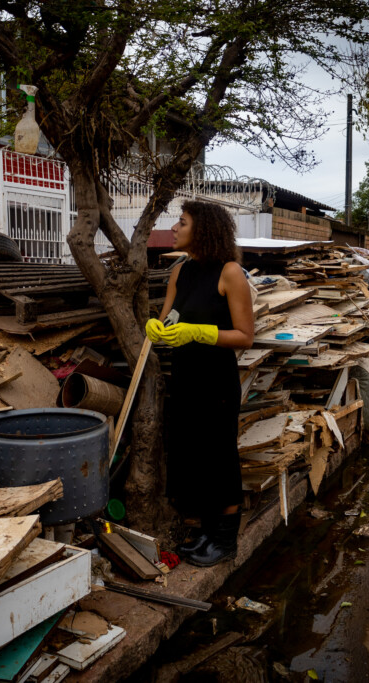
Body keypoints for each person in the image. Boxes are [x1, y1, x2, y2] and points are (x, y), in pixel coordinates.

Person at [145, 200, 254, 567]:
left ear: (203, 229)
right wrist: (156, 328)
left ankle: (225, 540)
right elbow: (169, 320)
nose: (175, 228)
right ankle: (207, 530)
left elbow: (245, 336)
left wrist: (202, 333)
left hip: (216, 382)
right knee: (194, 455)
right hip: (186, 377)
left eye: (182, 222)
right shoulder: (181, 271)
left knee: (219, 457)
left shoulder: (230, 273)